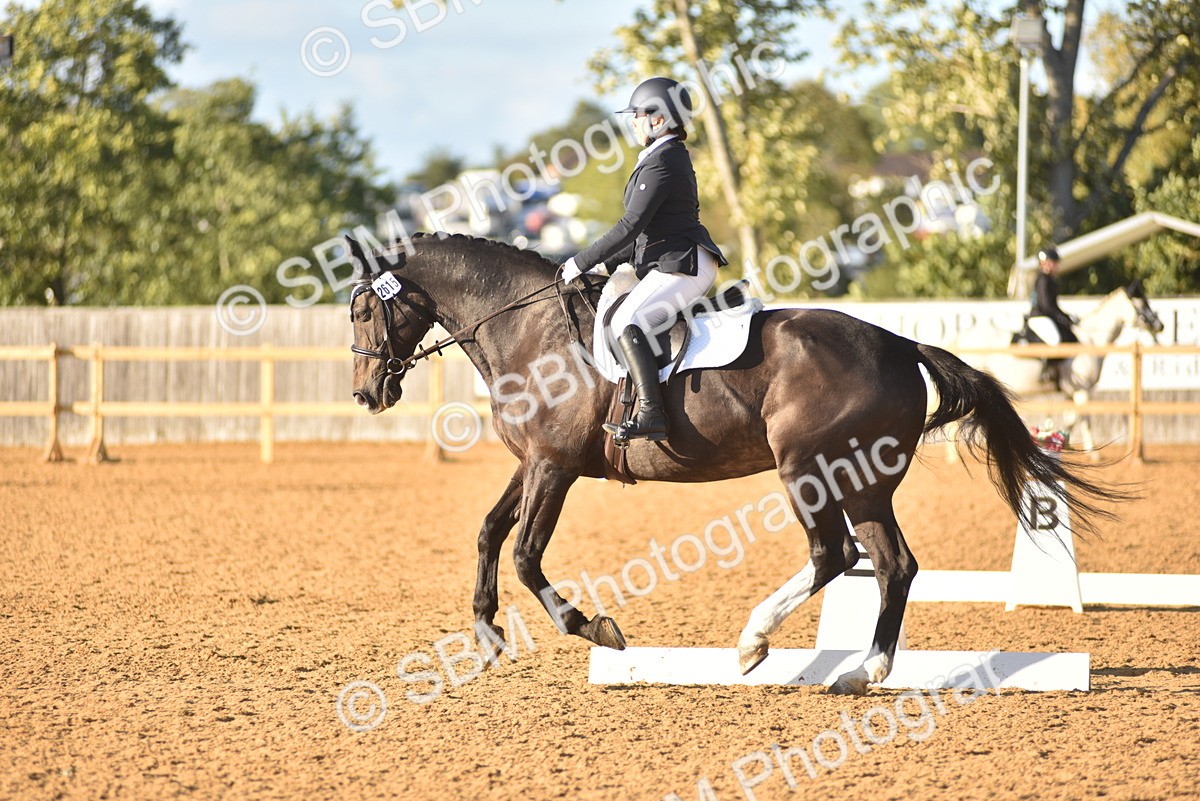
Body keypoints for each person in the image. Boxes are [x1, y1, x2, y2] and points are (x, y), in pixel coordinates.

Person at [560, 77, 727, 443]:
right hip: (672, 259)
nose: (632, 122)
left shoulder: (663, 161)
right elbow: (647, 231)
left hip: (683, 264)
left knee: (626, 320)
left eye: (636, 115)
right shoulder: (661, 157)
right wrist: (605, 265)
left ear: (659, 119)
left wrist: (581, 261)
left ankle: (652, 414)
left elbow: (631, 225)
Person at [1030, 246, 1077, 384]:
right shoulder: (1043, 279)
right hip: (1039, 317)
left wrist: (1067, 317)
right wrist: (1061, 317)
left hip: (1046, 315)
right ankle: (1046, 371)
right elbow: (1046, 305)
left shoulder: (1050, 280)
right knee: (1055, 339)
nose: (1057, 266)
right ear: (1045, 263)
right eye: (1054, 262)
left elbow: (1054, 306)